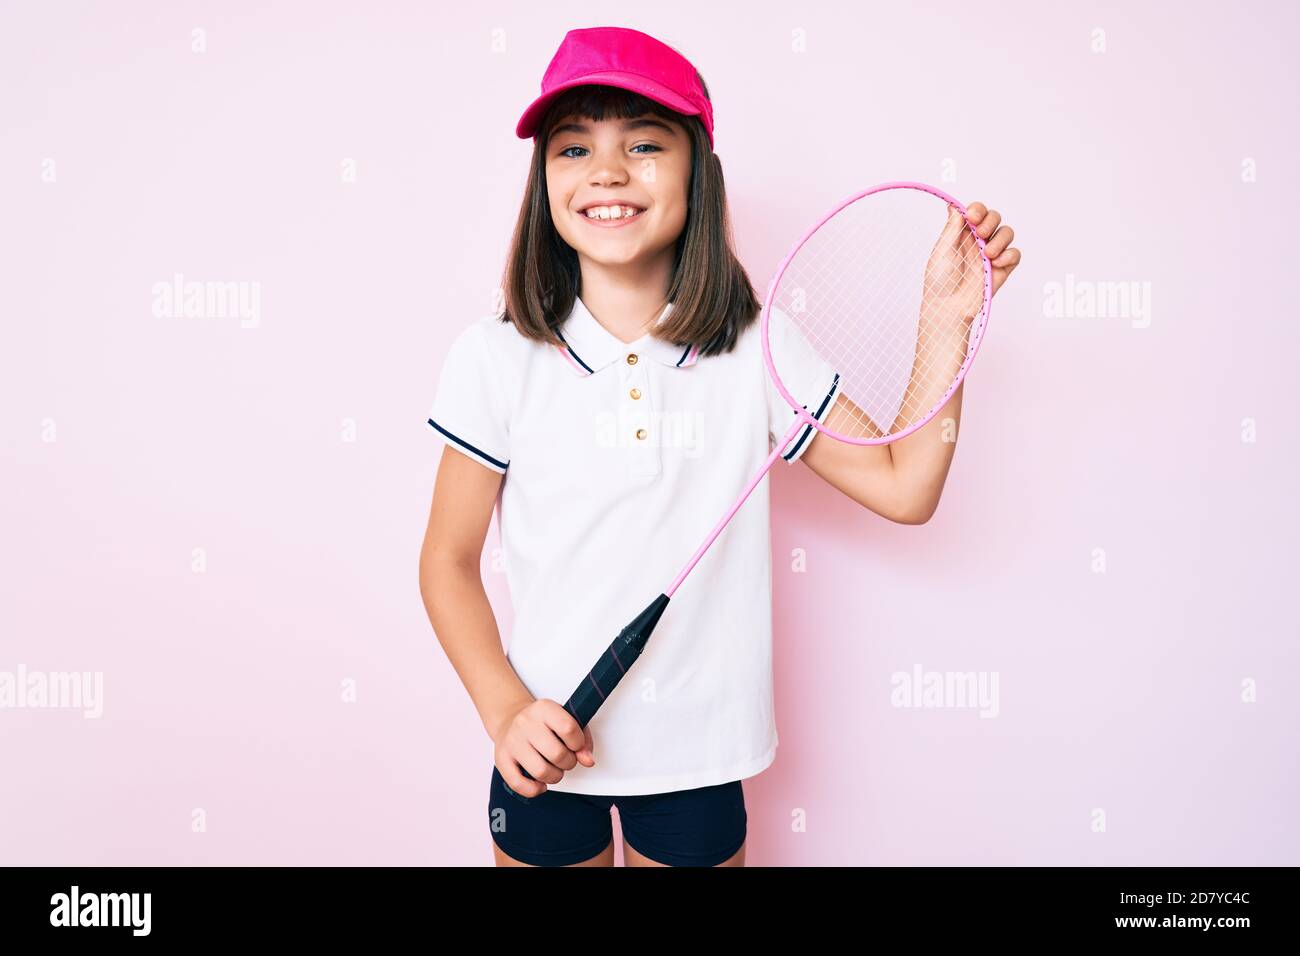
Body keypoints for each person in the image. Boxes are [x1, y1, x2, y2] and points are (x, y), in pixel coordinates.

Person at [417, 26, 1021, 867]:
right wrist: (503, 709)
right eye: (573, 148)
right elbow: (447, 560)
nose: (607, 172)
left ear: (698, 170)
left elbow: (904, 485)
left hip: (701, 763)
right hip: (543, 758)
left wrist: (947, 326)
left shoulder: (759, 347)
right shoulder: (496, 355)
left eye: (644, 144)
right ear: (543, 181)